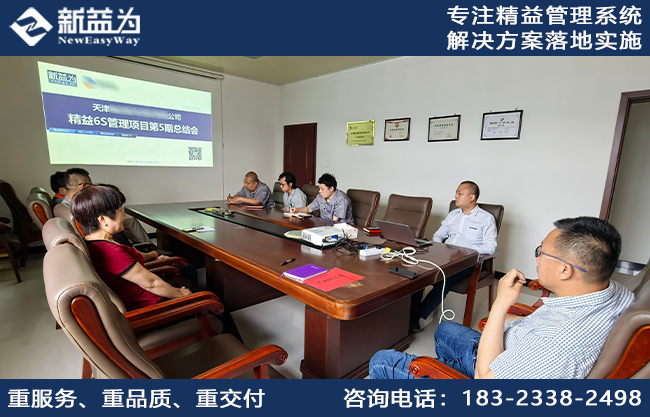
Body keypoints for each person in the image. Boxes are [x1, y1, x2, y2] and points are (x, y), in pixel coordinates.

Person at [370, 216, 634, 379]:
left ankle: (443, 375)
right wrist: (511, 321)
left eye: (541, 252)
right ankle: (450, 368)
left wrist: (500, 304)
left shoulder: (556, 345)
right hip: (513, 349)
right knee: (446, 330)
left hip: (496, 371)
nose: (537, 259)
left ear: (565, 270)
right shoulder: (614, 292)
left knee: (382, 361)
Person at [71, 185, 243, 341]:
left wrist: (154, 258)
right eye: (120, 210)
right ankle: (234, 348)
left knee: (196, 284)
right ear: (103, 219)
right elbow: (152, 284)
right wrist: (181, 295)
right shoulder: (111, 252)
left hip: (143, 301)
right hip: (151, 309)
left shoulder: (96, 243)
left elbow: (135, 267)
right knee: (213, 300)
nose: (123, 215)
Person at [409, 181, 497, 333]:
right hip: (444, 255)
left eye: (460, 193)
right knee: (418, 270)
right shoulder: (453, 215)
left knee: (446, 279)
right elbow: (439, 234)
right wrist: (437, 247)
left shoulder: (486, 218)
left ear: (472, 197)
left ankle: (416, 317)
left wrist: (468, 251)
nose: (455, 196)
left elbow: (491, 247)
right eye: (456, 193)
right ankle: (409, 310)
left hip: (466, 262)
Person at [54, 168, 150, 245]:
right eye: (90, 185)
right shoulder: (83, 206)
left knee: (129, 221)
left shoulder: (64, 205)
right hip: (102, 236)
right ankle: (145, 247)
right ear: (82, 187)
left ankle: (144, 246)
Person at [290, 173, 354, 224]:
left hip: (343, 229)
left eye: (322, 189)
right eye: (319, 188)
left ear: (331, 188)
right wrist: (297, 209)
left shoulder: (342, 199)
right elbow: (309, 209)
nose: (320, 191)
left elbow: (334, 221)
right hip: (326, 226)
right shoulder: (320, 197)